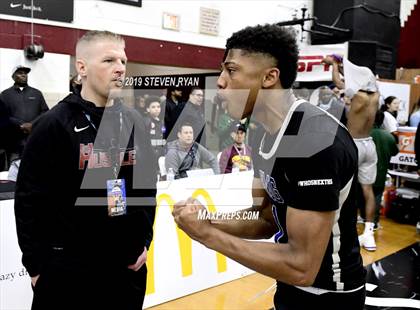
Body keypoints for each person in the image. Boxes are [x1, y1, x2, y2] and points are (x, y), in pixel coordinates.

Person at [172, 24, 365, 310]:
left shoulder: (316, 142)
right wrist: (207, 220)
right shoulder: (260, 131)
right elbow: (264, 218)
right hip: (289, 287)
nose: (221, 82)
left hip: (329, 296)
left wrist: (208, 235)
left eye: (231, 70)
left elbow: (302, 266)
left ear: (269, 77)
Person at [14, 30, 157, 310]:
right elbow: (30, 200)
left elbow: (146, 188)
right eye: (108, 60)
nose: (120, 68)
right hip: (67, 271)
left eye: (123, 61)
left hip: (125, 268)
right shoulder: (53, 124)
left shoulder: (134, 121)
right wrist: (36, 266)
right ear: (82, 68)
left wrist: (143, 243)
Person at [324, 55, 380, 252]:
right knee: (368, 190)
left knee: (342, 188)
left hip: (352, 144)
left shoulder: (356, 95)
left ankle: (340, 229)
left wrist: (334, 65)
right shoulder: (376, 95)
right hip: (369, 144)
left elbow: (338, 82)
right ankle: (369, 233)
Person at [0, 65, 48, 167]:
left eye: (25, 73)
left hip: (33, 140)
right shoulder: (5, 94)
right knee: (13, 171)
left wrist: (32, 124)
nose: (23, 75)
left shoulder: (36, 93)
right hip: (13, 142)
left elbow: (45, 112)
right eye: (20, 73)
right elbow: (3, 116)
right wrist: (20, 125)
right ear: (13, 76)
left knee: (34, 168)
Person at [369, 110, 399, 227]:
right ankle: (374, 222)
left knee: (361, 194)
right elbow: (395, 152)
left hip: (363, 172)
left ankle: (362, 216)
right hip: (381, 171)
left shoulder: (363, 134)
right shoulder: (388, 136)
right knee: (376, 195)